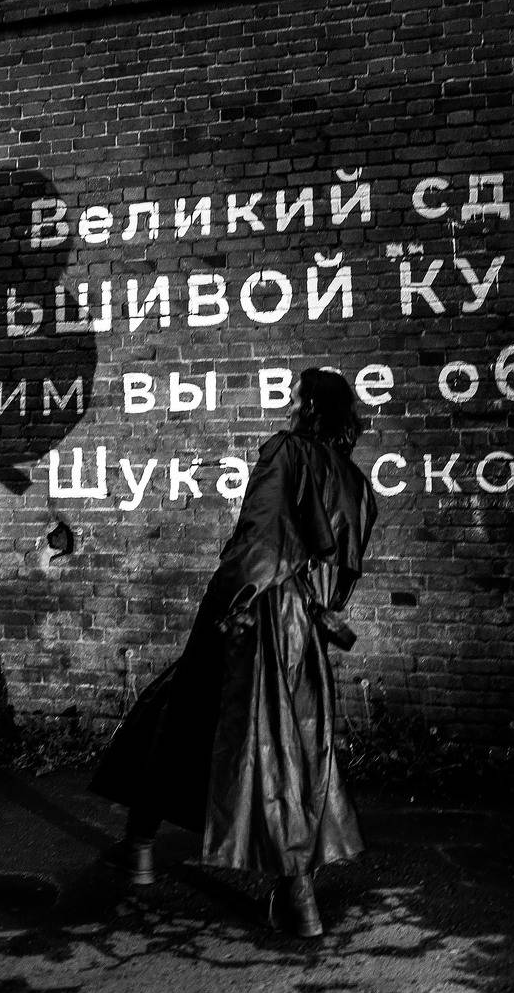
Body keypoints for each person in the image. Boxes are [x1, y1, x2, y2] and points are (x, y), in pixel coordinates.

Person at [90, 366, 377, 937]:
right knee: (280, 741)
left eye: (295, 397)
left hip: (256, 612)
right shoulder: (355, 483)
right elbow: (343, 568)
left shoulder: (288, 452)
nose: (288, 405)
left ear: (311, 408)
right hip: (303, 629)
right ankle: (145, 847)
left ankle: (291, 894)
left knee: (207, 725)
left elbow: (260, 537)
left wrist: (234, 603)